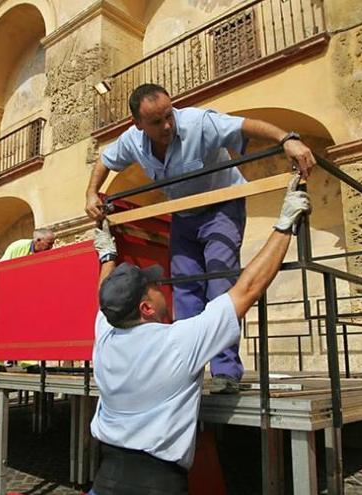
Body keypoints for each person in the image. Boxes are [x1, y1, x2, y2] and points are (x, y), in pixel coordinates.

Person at [84, 83, 316, 394]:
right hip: (184, 215)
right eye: (156, 122)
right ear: (138, 125)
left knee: (220, 283)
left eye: (169, 115)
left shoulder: (198, 122)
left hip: (223, 204)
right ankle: (187, 370)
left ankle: (225, 373)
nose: (167, 125)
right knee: (184, 288)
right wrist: (90, 193)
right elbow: (104, 160)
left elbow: (245, 125)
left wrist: (287, 139)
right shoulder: (132, 142)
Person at [88, 175, 311, 494]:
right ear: (147, 308)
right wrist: (285, 222)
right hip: (156, 485)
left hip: (105, 479)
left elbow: (103, 296)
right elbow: (246, 289)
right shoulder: (177, 344)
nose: (161, 287)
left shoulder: (107, 335)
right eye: (155, 287)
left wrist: (107, 255)